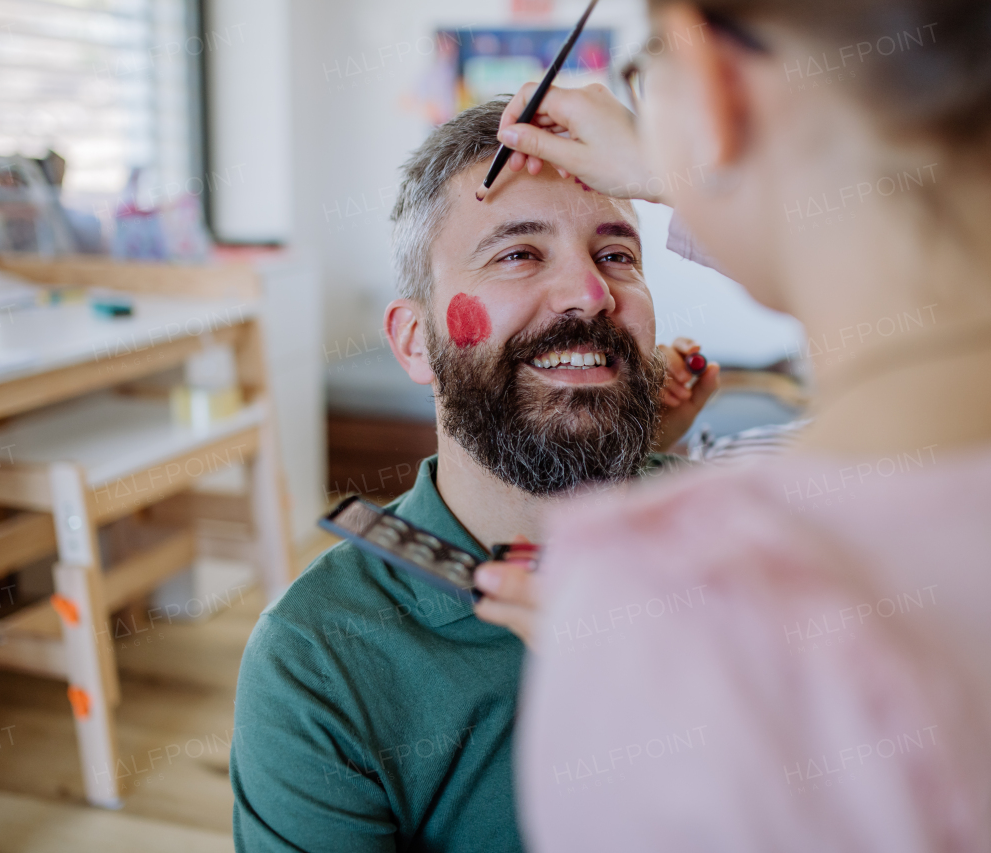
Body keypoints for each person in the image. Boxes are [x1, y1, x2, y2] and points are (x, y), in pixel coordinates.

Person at [475, 1, 991, 850]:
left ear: (711, 74)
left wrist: (652, 674)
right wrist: (698, 158)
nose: (588, 295)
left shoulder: (684, 627)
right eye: (518, 254)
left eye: (645, 70)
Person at [229, 97, 719, 852]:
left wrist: (680, 178)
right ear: (416, 340)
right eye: (519, 253)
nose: (591, 293)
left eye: (617, 255)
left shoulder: (734, 533)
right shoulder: (318, 661)